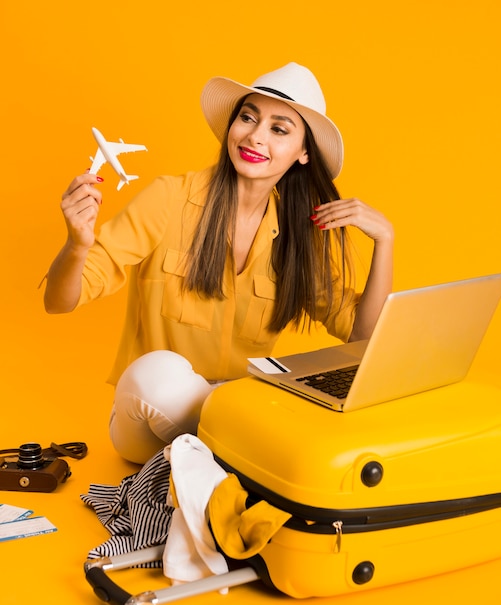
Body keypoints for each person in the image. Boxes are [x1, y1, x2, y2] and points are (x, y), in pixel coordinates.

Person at [44, 62, 394, 464]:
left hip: (235, 413)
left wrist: (385, 241)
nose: (255, 136)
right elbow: (59, 301)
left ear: (303, 154)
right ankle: (231, 455)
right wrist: (76, 245)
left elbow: (363, 337)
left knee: (302, 402)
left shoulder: (299, 237)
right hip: (150, 418)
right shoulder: (169, 199)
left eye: (278, 129)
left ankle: (210, 460)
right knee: (158, 374)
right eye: (248, 117)